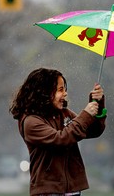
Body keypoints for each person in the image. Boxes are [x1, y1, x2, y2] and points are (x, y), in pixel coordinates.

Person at [9, 68, 107, 196]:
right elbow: (61, 139)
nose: (65, 94)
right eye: (60, 90)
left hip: (72, 190)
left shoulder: (64, 114)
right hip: (48, 191)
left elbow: (92, 131)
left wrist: (97, 104)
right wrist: (86, 114)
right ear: (44, 92)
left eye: (64, 89)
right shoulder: (31, 122)